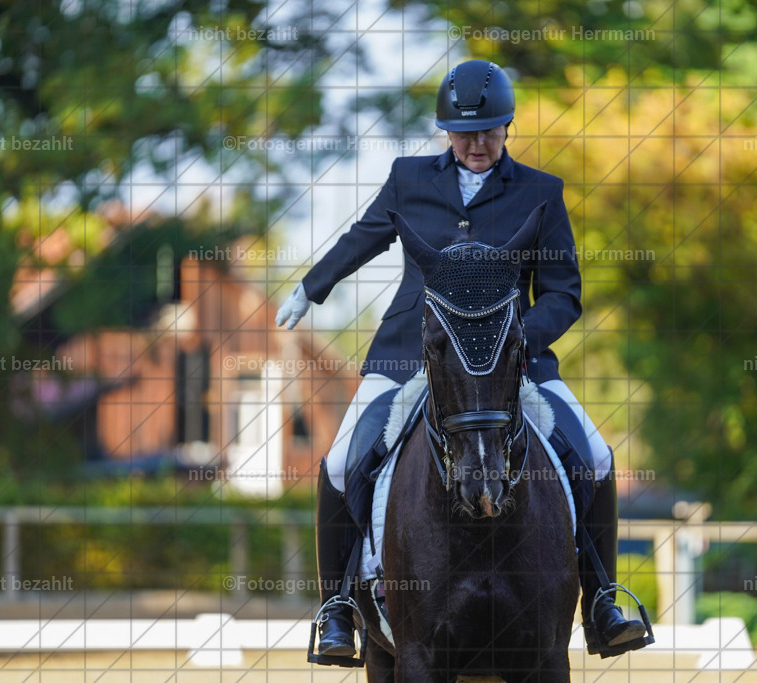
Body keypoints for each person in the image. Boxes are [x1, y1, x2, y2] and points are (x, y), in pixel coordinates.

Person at [276, 59, 647, 661]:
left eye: (490, 130)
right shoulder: (408, 178)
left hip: (512, 364)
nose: (478, 144)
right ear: (445, 132)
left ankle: (603, 601)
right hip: (406, 358)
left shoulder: (540, 192)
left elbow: (564, 292)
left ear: (508, 127)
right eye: (465, 133)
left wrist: (516, 339)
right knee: (342, 462)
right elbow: (362, 237)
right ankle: (337, 608)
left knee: (597, 457)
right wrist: (311, 287)